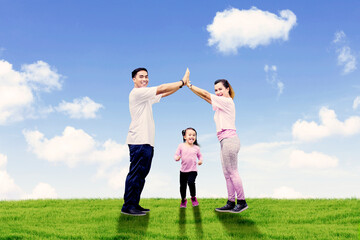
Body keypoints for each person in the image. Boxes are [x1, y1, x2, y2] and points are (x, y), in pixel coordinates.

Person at [121, 67, 190, 216]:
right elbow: (162, 88)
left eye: (146, 76)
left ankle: (134, 203)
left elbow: (164, 93)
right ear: (134, 79)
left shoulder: (145, 96)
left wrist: (180, 86)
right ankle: (128, 206)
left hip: (146, 142)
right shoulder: (137, 93)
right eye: (141, 77)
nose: (144, 79)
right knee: (135, 174)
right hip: (139, 140)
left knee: (141, 175)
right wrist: (181, 81)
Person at [186, 78, 248, 213]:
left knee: (233, 172)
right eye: (216, 90)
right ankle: (231, 202)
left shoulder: (227, 101)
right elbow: (205, 97)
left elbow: (206, 94)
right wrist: (191, 89)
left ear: (227, 89)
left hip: (230, 140)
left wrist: (190, 85)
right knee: (227, 173)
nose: (218, 92)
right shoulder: (220, 104)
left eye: (220, 89)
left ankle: (242, 202)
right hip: (224, 141)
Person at [174, 127, 203, 208]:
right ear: (185, 137)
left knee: (191, 182)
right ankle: (183, 200)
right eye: (189, 134)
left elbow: (200, 156)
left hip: (193, 170)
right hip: (183, 171)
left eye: (194, 135)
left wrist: (200, 160)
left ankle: (193, 198)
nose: (192, 136)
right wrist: (177, 158)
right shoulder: (181, 146)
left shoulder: (196, 148)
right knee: (182, 186)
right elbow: (176, 154)